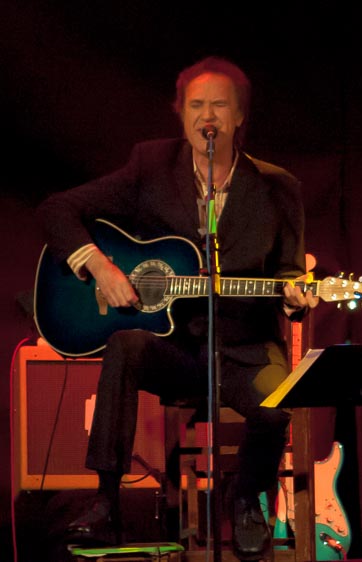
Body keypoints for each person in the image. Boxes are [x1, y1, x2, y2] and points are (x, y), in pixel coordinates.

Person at [37, 56, 318, 560]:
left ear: (239, 117)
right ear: (180, 112)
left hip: (246, 349)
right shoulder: (151, 166)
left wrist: (297, 297)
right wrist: (100, 266)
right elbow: (57, 208)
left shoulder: (279, 187)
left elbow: (288, 273)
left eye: (219, 106)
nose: (206, 116)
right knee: (125, 345)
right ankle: (105, 500)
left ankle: (246, 498)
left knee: (277, 407)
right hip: (178, 351)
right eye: (196, 105)